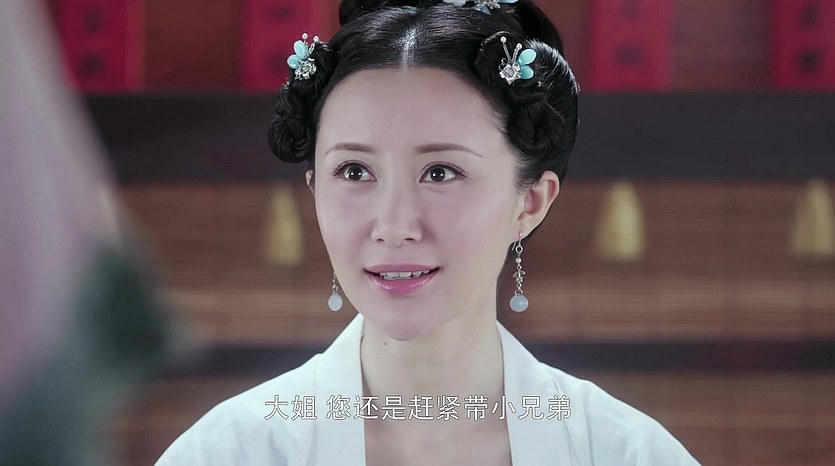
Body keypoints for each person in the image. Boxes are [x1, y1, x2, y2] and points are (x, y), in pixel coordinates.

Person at [157, 1, 701, 464]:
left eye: (441, 173)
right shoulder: (232, 452)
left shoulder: (623, 452)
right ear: (314, 189)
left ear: (530, 202)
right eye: (354, 171)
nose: (394, 226)